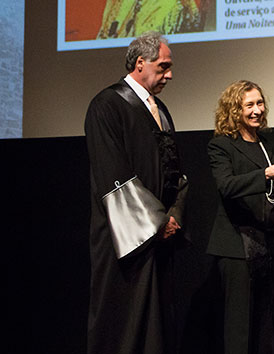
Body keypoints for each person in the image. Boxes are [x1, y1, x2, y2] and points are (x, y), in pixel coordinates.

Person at [84, 31, 188, 354]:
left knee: (160, 327)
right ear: (140, 64)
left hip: (161, 239)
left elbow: (176, 172)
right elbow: (113, 175)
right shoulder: (107, 106)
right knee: (125, 325)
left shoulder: (162, 111)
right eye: (163, 66)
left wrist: (175, 214)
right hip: (126, 239)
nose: (169, 74)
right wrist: (156, 223)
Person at [206, 80, 274, 354]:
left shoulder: (265, 144)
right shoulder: (221, 146)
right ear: (235, 110)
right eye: (249, 105)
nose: (257, 110)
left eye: (260, 103)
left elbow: (273, 196)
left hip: (269, 246)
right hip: (238, 247)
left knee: (268, 324)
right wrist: (264, 174)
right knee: (240, 328)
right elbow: (226, 186)